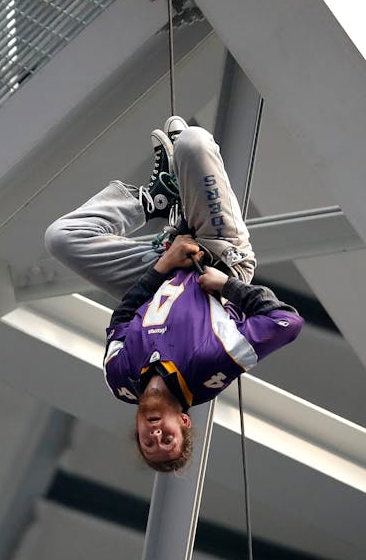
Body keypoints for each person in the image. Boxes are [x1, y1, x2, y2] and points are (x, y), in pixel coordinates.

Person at [44, 116, 303, 471]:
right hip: (216, 254)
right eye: (168, 439)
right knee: (192, 142)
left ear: (137, 430)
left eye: (149, 443)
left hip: (158, 274)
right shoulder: (212, 368)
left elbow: (123, 316)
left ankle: (154, 200)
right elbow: (286, 322)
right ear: (183, 423)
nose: (155, 436)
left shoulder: (119, 380)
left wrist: (162, 266)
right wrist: (226, 284)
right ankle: (181, 186)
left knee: (62, 238)